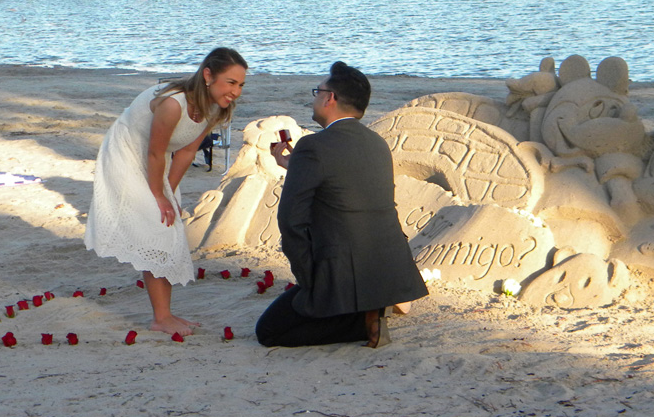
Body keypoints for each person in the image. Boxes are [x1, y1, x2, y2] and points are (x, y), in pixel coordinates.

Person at [257, 65, 428, 349]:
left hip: (344, 268)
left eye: (318, 92)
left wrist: (307, 277)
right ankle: (369, 309)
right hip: (388, 264)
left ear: (330, 98)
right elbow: (346, 188)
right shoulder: (377, 143)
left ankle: (360, 322)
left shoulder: (313, 146)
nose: (314, 98)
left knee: (270, 331)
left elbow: (290, 220)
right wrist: (294, 166)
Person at [85, 46, 247, 327]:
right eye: (231, 82)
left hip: (156, 155)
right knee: (156, 227)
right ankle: (161, 318)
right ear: (208, 75)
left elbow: (185, 152)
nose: (236, 91)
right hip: (128, 151)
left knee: (167, 225)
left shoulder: (217, 109)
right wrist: (157, 195)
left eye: (241, 84)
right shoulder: (174, 104)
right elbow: (154, 153)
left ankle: (164, 314)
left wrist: (168, 194)